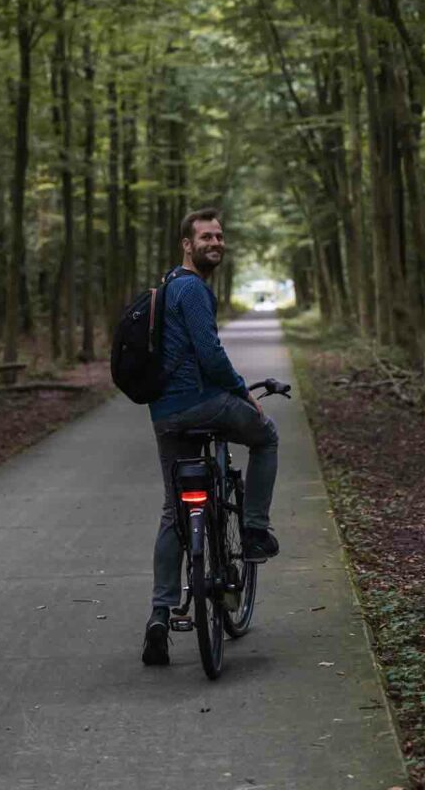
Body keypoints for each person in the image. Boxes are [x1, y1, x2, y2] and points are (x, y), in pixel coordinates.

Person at [142, 207, 279, 666]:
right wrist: (244, 392)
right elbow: (211, 355)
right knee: (266, 437)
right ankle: (255, 531)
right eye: (205, 237)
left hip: (164, 413)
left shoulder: (163, 289)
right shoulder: (192, 289)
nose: (215, 243)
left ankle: (159, 616)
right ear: (187, 244)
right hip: (202, 403)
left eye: (219, 236)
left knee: (172, 509)